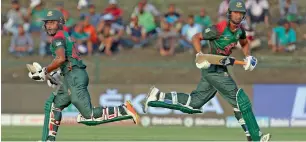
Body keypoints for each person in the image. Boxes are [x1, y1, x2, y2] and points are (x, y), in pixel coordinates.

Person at [142, 0, 271, 141]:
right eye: (235, 12)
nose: (238, 16)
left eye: (241, 13)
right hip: (213, 69)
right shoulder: (219, 29)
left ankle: (157, 97)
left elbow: (245, 43)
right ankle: (256, 138)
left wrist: (248, 57)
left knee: (193, 104)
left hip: (220, 68)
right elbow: (196, 37)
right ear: (229, 13)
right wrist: (199, 54)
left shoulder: (240, 31)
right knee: (241, 100)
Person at [27, 10, 139, 141]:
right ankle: (47, 140)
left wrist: (45, 71)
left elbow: (61, 59)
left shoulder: (58, 37)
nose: (49, 26)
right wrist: (55, 75)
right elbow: (67, 60)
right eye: (47, 23)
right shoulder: (63, 35)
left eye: (52, 22)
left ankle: (124, 110)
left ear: (60, 23)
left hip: (74, 77)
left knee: (89, 116)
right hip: (71, 76)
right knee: (52, 105)